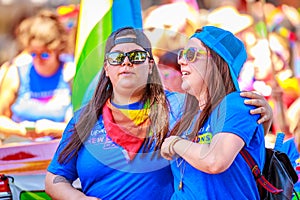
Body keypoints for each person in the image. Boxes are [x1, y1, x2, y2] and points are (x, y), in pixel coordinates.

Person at [45, 27, 272, 199]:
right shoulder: (84, 119)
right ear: (106, 67)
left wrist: (263, 115)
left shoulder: (184, 107)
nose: (126, 63)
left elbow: (230, 141)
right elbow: (54, 178)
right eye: (116, 58)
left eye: (136, 57)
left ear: (151, 65)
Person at [161, 26, 266, 199]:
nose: (181, 61)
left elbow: (215, 161)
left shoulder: (237, 104)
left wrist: (175, 144)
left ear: (217, 62)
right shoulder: (188, 115)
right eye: (181, 54)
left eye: (190, 54)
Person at [0, 9, 74, 143]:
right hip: (21, 151)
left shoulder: (70, 73)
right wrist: (20, 130)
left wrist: (54, 128)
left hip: (59, 150)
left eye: (45, 54)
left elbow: (85, 127)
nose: (38, 59)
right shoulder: (15, 73)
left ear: (57, 51)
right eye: (33, 54)